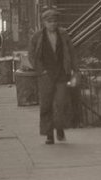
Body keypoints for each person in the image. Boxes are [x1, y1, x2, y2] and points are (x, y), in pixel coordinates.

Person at [28, 8, 77, 144]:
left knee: (61, 103)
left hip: (62, 74)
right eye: (49, 21)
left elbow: (71, 53)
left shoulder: (64, 35)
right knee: (46, 105)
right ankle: (49, 134)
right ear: (44, 22)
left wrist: (74, 70)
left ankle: (60, 128)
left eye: (55, 21)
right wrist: (41, 71)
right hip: (46, 76)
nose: (53, 24)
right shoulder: (37, 37)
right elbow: (32, 56)